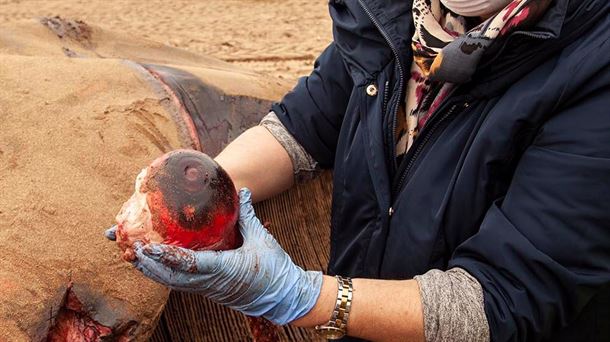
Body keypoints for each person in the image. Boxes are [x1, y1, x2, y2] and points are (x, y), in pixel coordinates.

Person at [106, 0, 610, 340]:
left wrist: (303, 297)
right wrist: (186, 195)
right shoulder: (394, 16)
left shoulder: (592, 64)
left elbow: (505, 299)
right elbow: (303, 128)